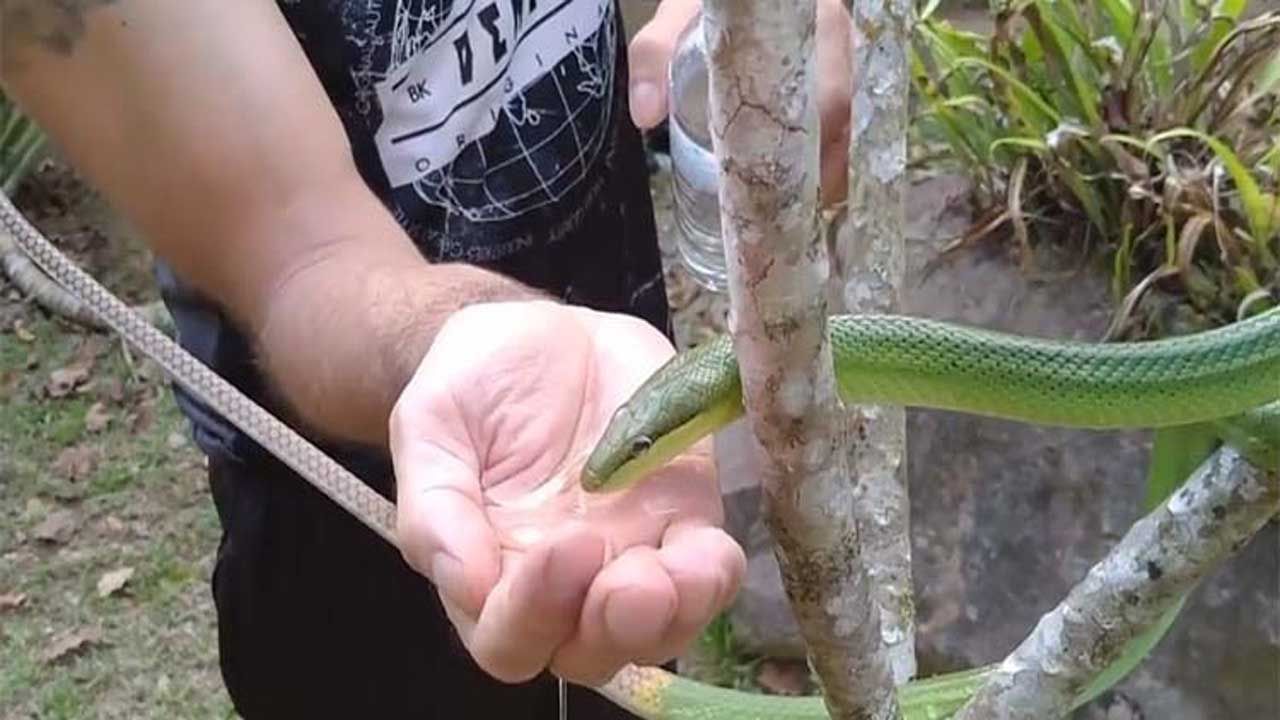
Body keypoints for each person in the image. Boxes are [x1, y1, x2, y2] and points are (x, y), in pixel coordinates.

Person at [0, 1, 853, 717]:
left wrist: (750, 26)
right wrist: (462, 331)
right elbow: (297, 246)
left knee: (619, 654)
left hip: (609, 401)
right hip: (355, 511)